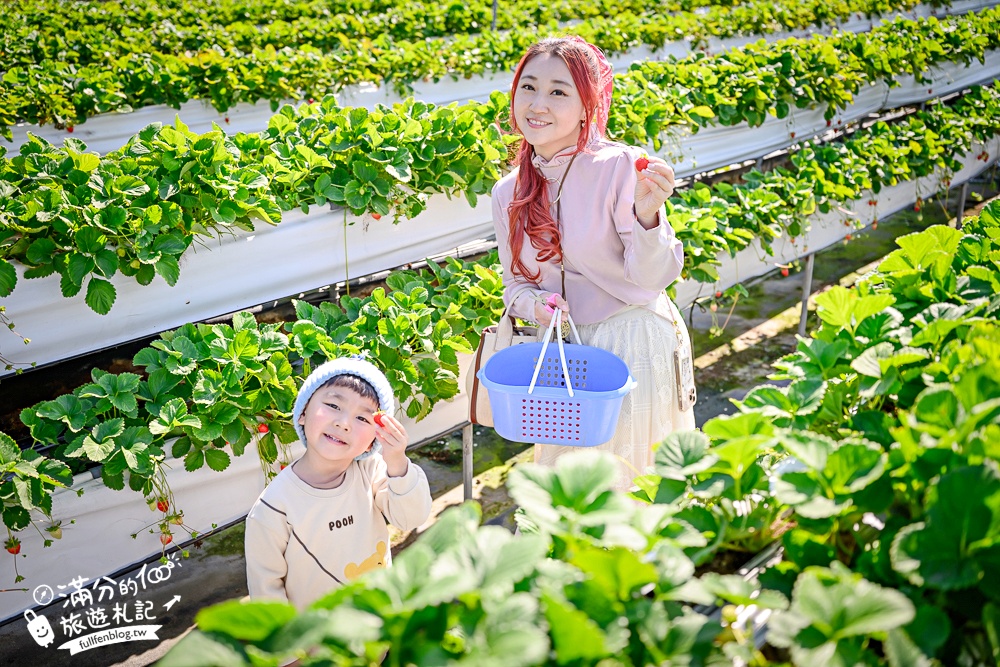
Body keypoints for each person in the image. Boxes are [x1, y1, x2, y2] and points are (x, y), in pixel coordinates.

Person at [490, 36, 696, 492]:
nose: (537, 104)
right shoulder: (508, 192)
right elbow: (514, 287)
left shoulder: (620, 166)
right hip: (564, 356)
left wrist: (648, 216)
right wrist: (536, 306)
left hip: (633, 345)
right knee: (569, 496)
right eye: (529, 87)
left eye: (559, 92)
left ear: (588, 106)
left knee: (630, 490)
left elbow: (653, 279)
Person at [245, 356, 433, 609]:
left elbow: (411, 518)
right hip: (315, 645)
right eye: (333, 405)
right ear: (302, 413)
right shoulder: (273, 507)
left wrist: (397, 461)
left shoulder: (372, 471)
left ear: (373, 440)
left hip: (376, 630)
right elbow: (266, 593)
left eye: (363, 418)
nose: (343, 423)